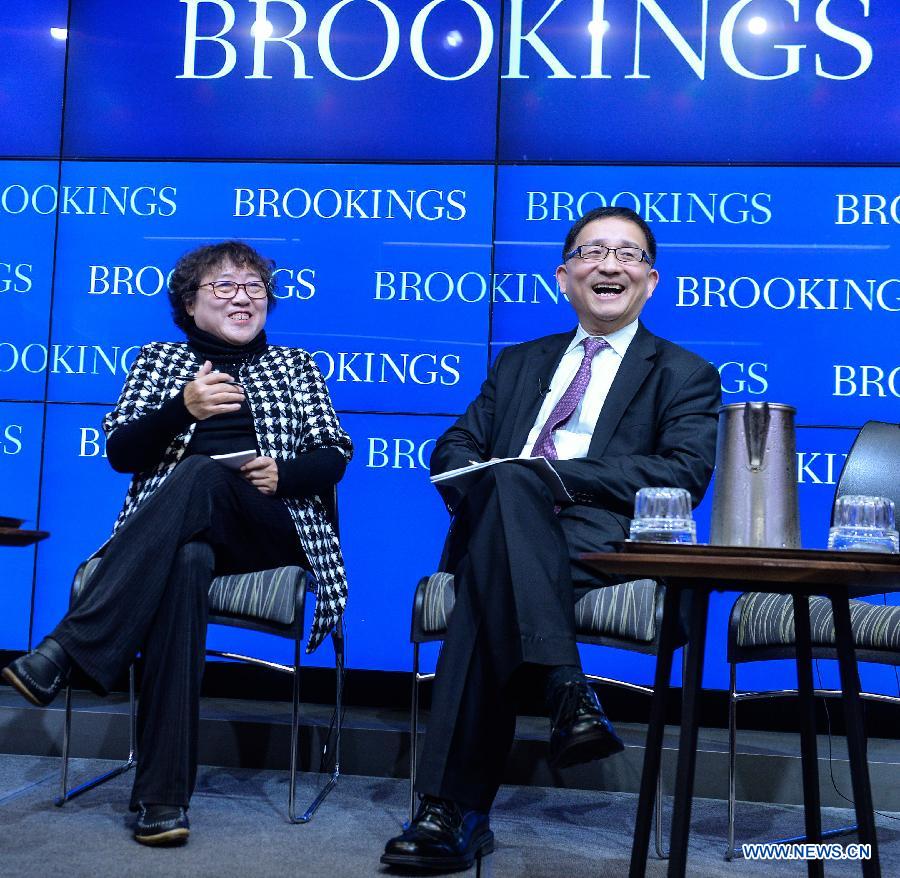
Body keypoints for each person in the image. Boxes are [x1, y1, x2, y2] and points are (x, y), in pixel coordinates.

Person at [381, 207, 721, 872]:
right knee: (506, 500)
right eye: (593, 252)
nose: (610, 264)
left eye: (627, 254)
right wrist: (508, 483)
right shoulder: (520, 361)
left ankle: (449, 810)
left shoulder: (684, 372)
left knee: (492, 569)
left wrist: (548, 479)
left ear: (650, 281)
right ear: (564, 276)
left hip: (602, 539)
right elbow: (455, 445)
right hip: (507, 531)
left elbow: (684, 472)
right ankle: (566, 688)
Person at [2, 241, 352, 845]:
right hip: (179, 535)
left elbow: (334, 453)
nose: (243, 296)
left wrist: (284, 473)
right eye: (224, 287)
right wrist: (180, 410)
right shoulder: (161, 361)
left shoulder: (297, 366)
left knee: (199, 473)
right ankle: (162, 800)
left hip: (272, 528)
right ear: (190, 305)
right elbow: (121, 453)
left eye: (254, 286)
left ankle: (64, 649)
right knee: (186, 560)